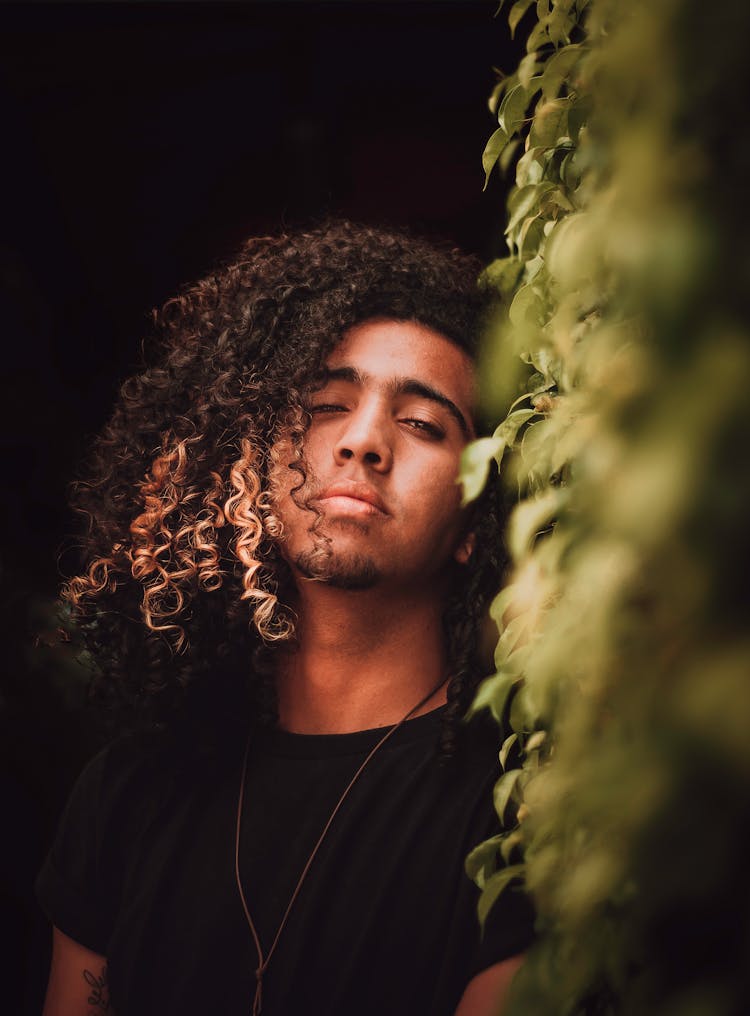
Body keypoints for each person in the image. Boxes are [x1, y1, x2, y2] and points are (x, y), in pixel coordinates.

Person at [37, 221, 535, 1016]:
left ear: (478, 524)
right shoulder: (128, 794)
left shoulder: (518, 813)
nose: (364, 441)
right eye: (326, 404)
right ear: (254, 467)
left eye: (422, 424)